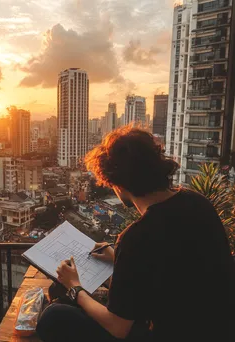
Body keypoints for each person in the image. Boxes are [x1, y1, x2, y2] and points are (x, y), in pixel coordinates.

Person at [36, 126, 235, 342]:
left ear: (117, 184)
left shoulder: (137, 236)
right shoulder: (197, 202)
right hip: (218, 327)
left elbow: (118, 327)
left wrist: (75, 288)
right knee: (60, 296)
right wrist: (117, 259)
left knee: (53, 316)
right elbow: (177, 267)